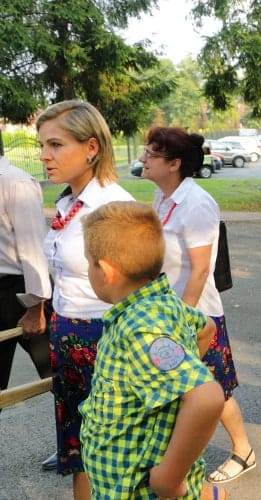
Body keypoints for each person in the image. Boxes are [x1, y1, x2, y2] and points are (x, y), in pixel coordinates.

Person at [78, 201, 227, 500]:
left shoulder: (140, 330)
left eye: (88, 262)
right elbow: (206, 327)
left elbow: (207, 397)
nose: (87, 270)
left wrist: (168, 480)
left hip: (137, 488)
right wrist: (172, 388)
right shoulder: (160, 302)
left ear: (106, 270)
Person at [140, 126, 256, 485]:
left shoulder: (196, 202)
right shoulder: (162, 198)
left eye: (151, 154)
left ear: (174, 163)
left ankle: (243, 451)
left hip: (196, 316)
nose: (142, 158)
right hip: (166, 311)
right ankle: (180, 457)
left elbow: (200, 269)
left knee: (213, 389)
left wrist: (181, 321)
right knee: (180, 390)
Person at [38, 100, 135, 498]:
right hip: (68, 338)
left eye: (56, 145)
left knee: (116, 455)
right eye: (42, 144)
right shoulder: (68, 203)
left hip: (107, 344)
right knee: (80, 449)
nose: (45, 155)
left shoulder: (116, 209)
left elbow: (141, 295)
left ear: (91, 148)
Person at [0, 155, 54, 406]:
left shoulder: (15, 183)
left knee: (58, 377)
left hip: (20, 292)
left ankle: (80, 443)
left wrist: (36, 307)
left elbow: (34, 249)